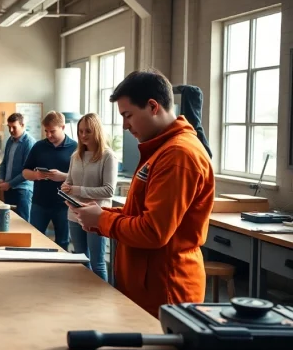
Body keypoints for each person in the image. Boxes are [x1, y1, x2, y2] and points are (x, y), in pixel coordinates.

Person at [69, 70, 214, 318]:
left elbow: (153, 231)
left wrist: (102, 220)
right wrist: (101, 213)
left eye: (128, 116)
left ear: (153, 106)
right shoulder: (160, 150)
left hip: (164, 290)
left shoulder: (178, 156)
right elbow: (140, 213)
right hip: (145, 283)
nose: (125, 125)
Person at [60, 113, 117, 281]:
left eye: (88, 131)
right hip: (74, 214)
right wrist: (66, 188)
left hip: (96, 216)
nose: (83, 135)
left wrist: (77, 190)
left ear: (97, 132)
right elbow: (69, 181)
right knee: (80, 259)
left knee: (97, 263)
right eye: (80, 131)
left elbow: (108, 190)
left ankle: (102, 301)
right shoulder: (75, 156)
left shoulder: (108, 156)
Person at [22, 111, 78, 251]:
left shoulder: (76, 148)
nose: (48, 135)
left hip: (64, 204)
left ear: (63, 127)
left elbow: (81, 177)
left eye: (52, 131)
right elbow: (25, 172)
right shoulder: (38, 146)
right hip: (39, 203)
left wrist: (63, 176)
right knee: (35, 241)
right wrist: (36, 175)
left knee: (63, 243)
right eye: (46, 131)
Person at [0, 113, 37, 222]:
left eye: (14, 127)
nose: (11, 130)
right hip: (8, 188)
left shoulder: (29, 143)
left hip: (22, 190)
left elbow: (27, 171)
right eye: (9, 127)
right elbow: (4, 163)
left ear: (22, 125)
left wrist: (9, 184)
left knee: (22, 222)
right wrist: (1, 178)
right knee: (9, 221)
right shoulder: (10, 140)